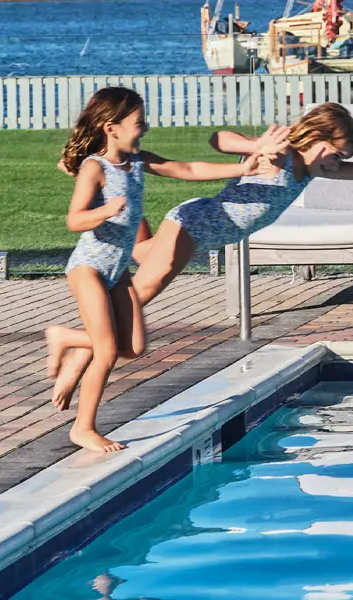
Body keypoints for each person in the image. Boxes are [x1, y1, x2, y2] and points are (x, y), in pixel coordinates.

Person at [49, 103, 353, 415]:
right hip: (194, 225)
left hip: (204, 233)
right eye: (337, 156)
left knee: (139, 265)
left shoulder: (315, 168)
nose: (339, 165)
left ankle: (119, 207)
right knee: (141, 293)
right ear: (320, 144)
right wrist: (255, 145)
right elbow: (219, 139)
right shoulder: (279, 156)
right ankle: (75, 351)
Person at [47, 88, 279, 453]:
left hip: (117, 270)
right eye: (138, 123)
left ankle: (65, 337)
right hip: (89, 267)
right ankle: (83, 428)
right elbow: (74, 219)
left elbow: (184, 169)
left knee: (134, 348)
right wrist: (105, 212)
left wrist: (243, 167)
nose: (145, 128)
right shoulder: (96, 168)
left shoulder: (137, 161)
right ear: (112, 128)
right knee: (107, 352)